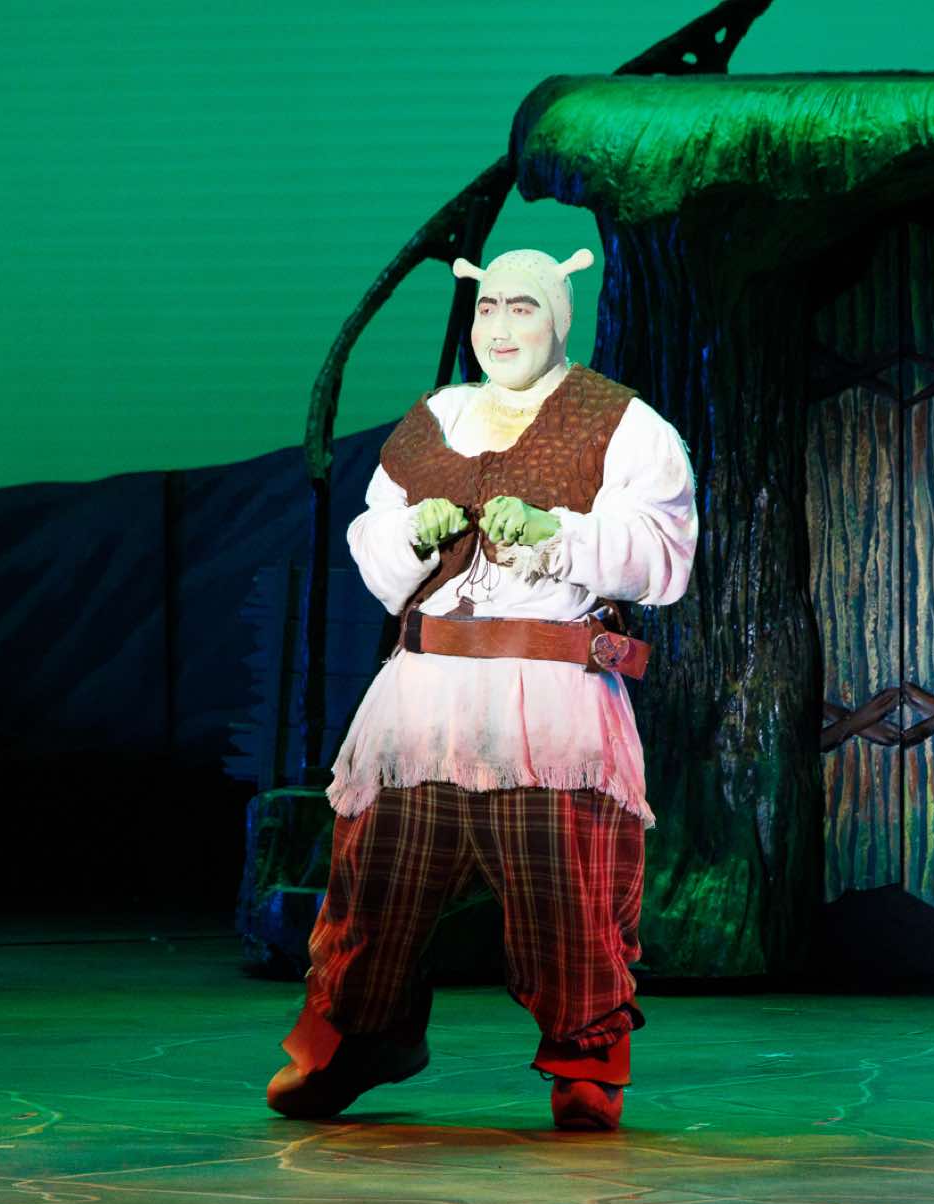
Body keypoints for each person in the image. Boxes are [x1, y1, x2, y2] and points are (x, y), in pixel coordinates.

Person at [265, 246, 698, 1131]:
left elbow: (664, 555)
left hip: (550, 702)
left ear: (559, 319)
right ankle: (355, 1041)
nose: (500, 326)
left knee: (566, 888)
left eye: (523, 308)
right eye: (488, 307)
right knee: (376, 877)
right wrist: (411, 534)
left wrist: (558, 532)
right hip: (425, 696)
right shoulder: (438, 418)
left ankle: (586, 1063)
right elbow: (372, 543)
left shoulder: (622, 423)